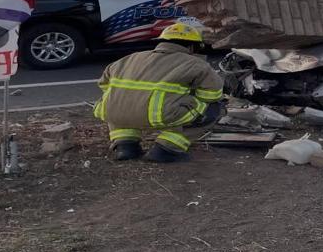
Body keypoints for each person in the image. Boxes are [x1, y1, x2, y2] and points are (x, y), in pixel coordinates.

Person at [94, 20, 226, 162]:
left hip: (112, 112)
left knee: (120, 101)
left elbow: (104, 84)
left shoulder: (128, 58)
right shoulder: (196, 64)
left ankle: (126, 147)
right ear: (192, 46)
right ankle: (166, 150)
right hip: (157, 116)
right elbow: (211, 95)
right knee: (213, 108)